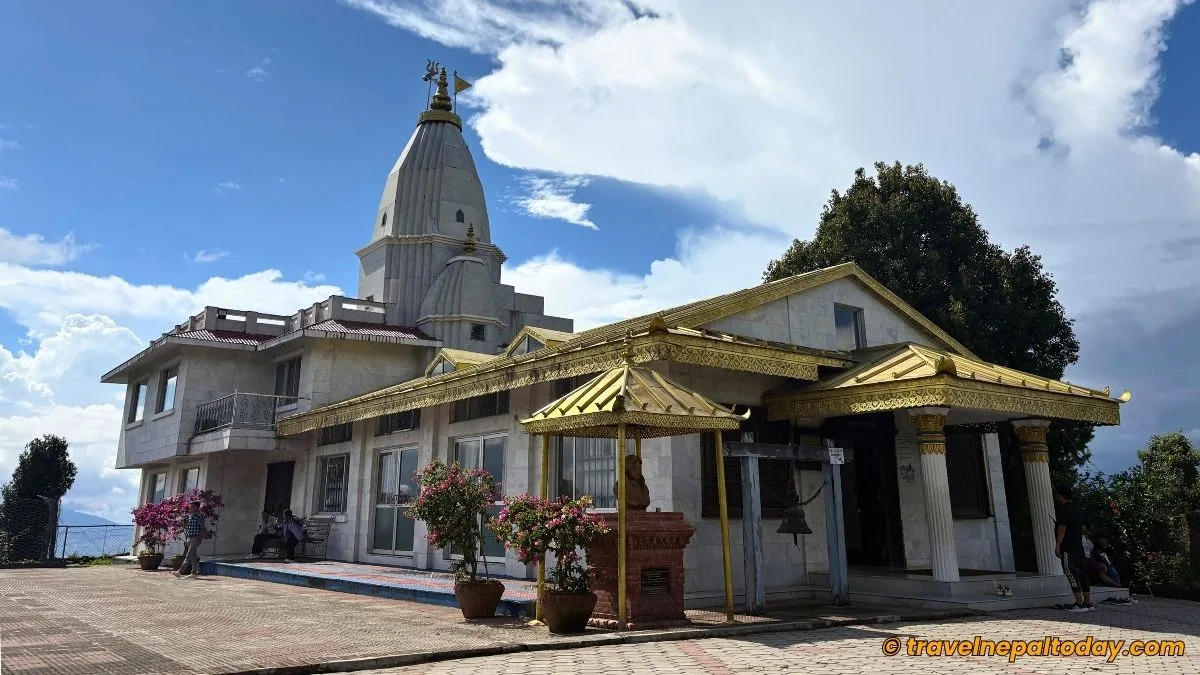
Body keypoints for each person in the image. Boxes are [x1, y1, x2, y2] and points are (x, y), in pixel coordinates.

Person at [1054, 485, 1092, 612]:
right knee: (1082, 574)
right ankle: (1088, 603)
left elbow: (1062, 528)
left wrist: (1058, 545)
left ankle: (1079, 604)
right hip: (1079, 547)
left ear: (1061, 496)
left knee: (1071, 573)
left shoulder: (1064, 510)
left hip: (1068, 547)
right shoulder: (1077, 509)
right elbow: (1084, 528)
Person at [174, 500, 205, 579]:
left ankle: (180, 572)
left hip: (196, 537)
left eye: (192, 506)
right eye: (190, 506)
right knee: (193, 556)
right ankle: (194, 574)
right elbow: (187, 527)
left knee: (188, 555)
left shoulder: (199, 516)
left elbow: (202, 527)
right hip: (189, 537)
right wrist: (187, 536)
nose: (190, 507)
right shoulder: (189, 516)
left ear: (197, 507)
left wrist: (200, 537)